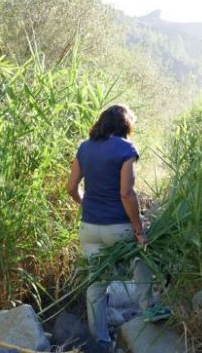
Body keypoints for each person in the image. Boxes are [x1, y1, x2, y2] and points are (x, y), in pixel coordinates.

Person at [67, 104, 152, 349]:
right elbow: (126, 193)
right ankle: (149, 311)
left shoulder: (84, 148)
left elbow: (71, 187)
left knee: (96, 284)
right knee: (142, 258)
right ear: (125, 125)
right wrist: (139, 230)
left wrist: (86, 202)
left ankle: (101, 341)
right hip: (119, 227)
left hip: (90, 229)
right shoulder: (126, 149)